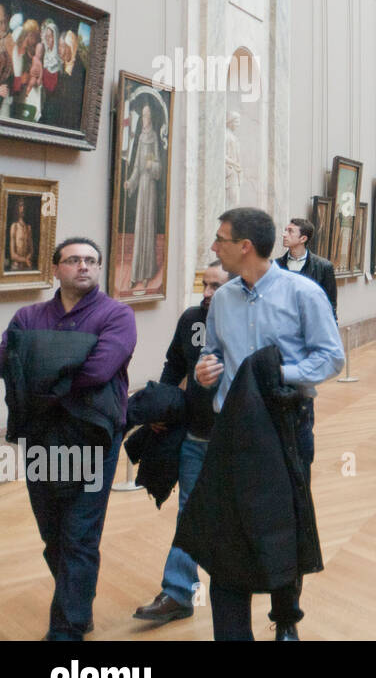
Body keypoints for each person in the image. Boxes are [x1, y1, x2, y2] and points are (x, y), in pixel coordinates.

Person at [193, 207, 344, 640]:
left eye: (220, 238)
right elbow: (213, 350)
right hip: (232, 428)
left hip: (285, 423)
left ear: (244, 247)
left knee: (285, 522)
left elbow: (331, 357)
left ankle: (286, 619)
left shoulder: (302, 293)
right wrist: (208, 368)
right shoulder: (222, 298)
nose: (213, 246)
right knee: (228, 525)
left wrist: (280, 374)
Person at [0, 237, 137, 640]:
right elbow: (9, 363)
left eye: (91, 261)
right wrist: (65, 362)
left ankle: (68, 627)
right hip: (42, 437)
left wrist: (41, 368)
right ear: (56, 268)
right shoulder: (28, 316)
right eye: (73, 260)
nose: (83, 266)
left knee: (79, 533)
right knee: (53, 532)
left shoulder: (117, 315)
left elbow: (98, 370)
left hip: (93, 437)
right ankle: (77, 604)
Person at [133, 261, 230, 625]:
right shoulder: (192, 319)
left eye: (215, 286)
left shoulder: (253, 320)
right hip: (196, 434)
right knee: (189, 511)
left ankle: (266, 598)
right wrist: (165, 403)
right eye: (204, 285)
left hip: (238, 441)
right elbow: (175, 364)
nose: (206, 294)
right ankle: (178, 592)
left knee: (237, 516)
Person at [125, 102, 163, 288]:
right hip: (141, 189)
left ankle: (147, 272)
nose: (145, 119)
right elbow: (137, 169)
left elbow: (158, 167)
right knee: (140, 228)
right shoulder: (140, 137)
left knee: (148, 228)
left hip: (151, 189)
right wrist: (130, 182)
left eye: (147, 116)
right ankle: (135, 274)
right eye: (143, 116)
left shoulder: (154, 137)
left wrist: (152, 166)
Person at [277, 218, 338, 322]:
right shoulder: (276, 265)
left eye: (290, 231)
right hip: (282, 325)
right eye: (285, 230)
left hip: (311, 324)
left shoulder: (324, 267)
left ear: (303, 238)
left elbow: (329, 304)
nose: (284, 234)